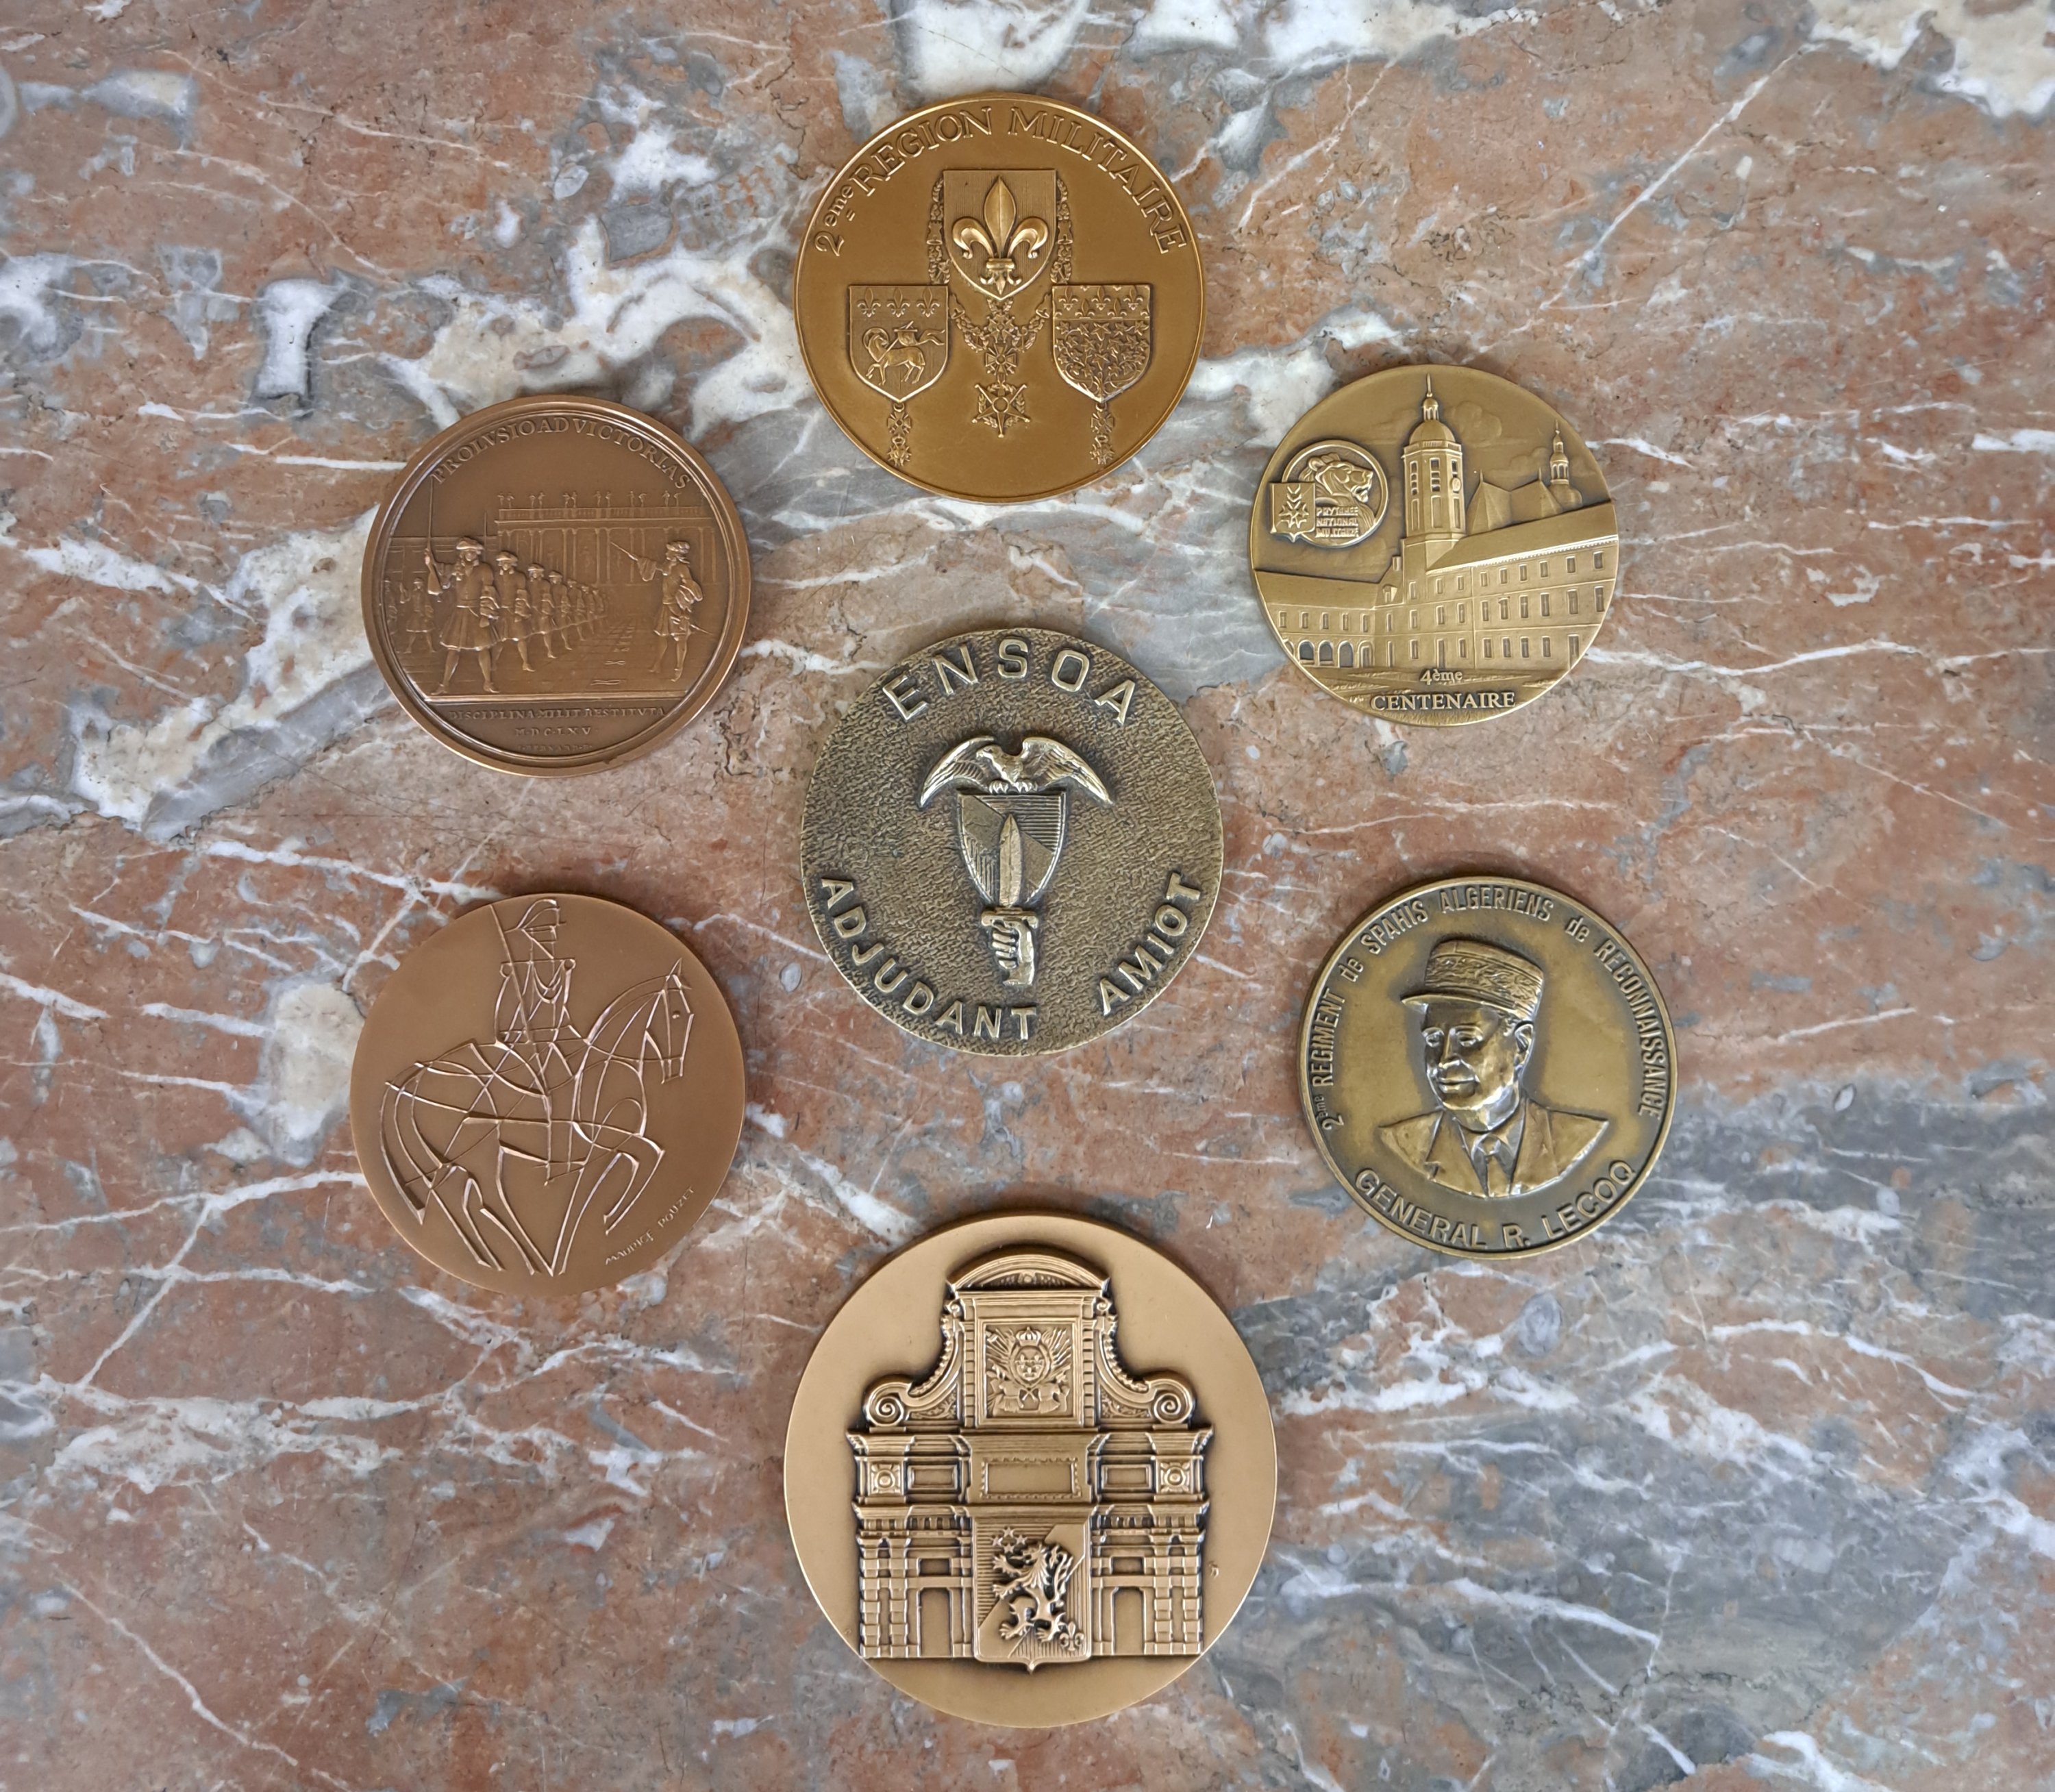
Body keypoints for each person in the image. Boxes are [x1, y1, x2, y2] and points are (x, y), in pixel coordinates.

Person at [1379, 938, 1606, 1199]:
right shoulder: (1402, 1143)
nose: (1444, 1059)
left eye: (1467, 1040)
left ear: (1521, 1045)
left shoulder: (1579, 1139)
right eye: (1433, 1040)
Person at [423, 536, 497, 694]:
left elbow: (488, 593)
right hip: (460, 613)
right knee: (453, 649)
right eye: (467, 551)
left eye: (472, 551)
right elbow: (442, 576)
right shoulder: (457, 569)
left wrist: (485, 616)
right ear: (462, 553)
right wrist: (431, 563)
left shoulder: (485, 569)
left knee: (483, 648)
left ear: (477, 553)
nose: (470, 554)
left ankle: (488, 683)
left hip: (477, 612)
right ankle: (445, 684)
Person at [624, 539, 703, 677]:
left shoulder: (682, 569)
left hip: (677, 607)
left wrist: (685, 609)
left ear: (676, 555)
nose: (666, 554)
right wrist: (637, 558)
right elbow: (653, 565)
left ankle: (679, 669)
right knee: (662, 636)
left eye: (670, 552)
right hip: (666, 606)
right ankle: (658, 664)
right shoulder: (667, 567)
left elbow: (690, 587)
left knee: (680, 638)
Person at [493, 550, 532, 673]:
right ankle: (493, 663)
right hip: (500, 613)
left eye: (508, 562)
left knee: (521, 637)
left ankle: (525, 663)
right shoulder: (495, 576)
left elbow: (522, 595)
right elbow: (491, 594)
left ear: (512, 564)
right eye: (504, 562)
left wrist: (519, 613)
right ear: (500, 563)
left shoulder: (519, 577)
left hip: (513, 611)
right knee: (498, 639)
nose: (506, 564)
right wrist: (492, 611)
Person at [526, 564, 558, 659]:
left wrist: (546, 610)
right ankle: (528, 653)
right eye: (533, 572)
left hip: (542, 610)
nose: (535, 574)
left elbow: (548, 597)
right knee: (528, 632)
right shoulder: (527, 584)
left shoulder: (545, 584)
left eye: (537, 572)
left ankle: (549, 651)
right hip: (530, 610)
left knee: (546, 632)